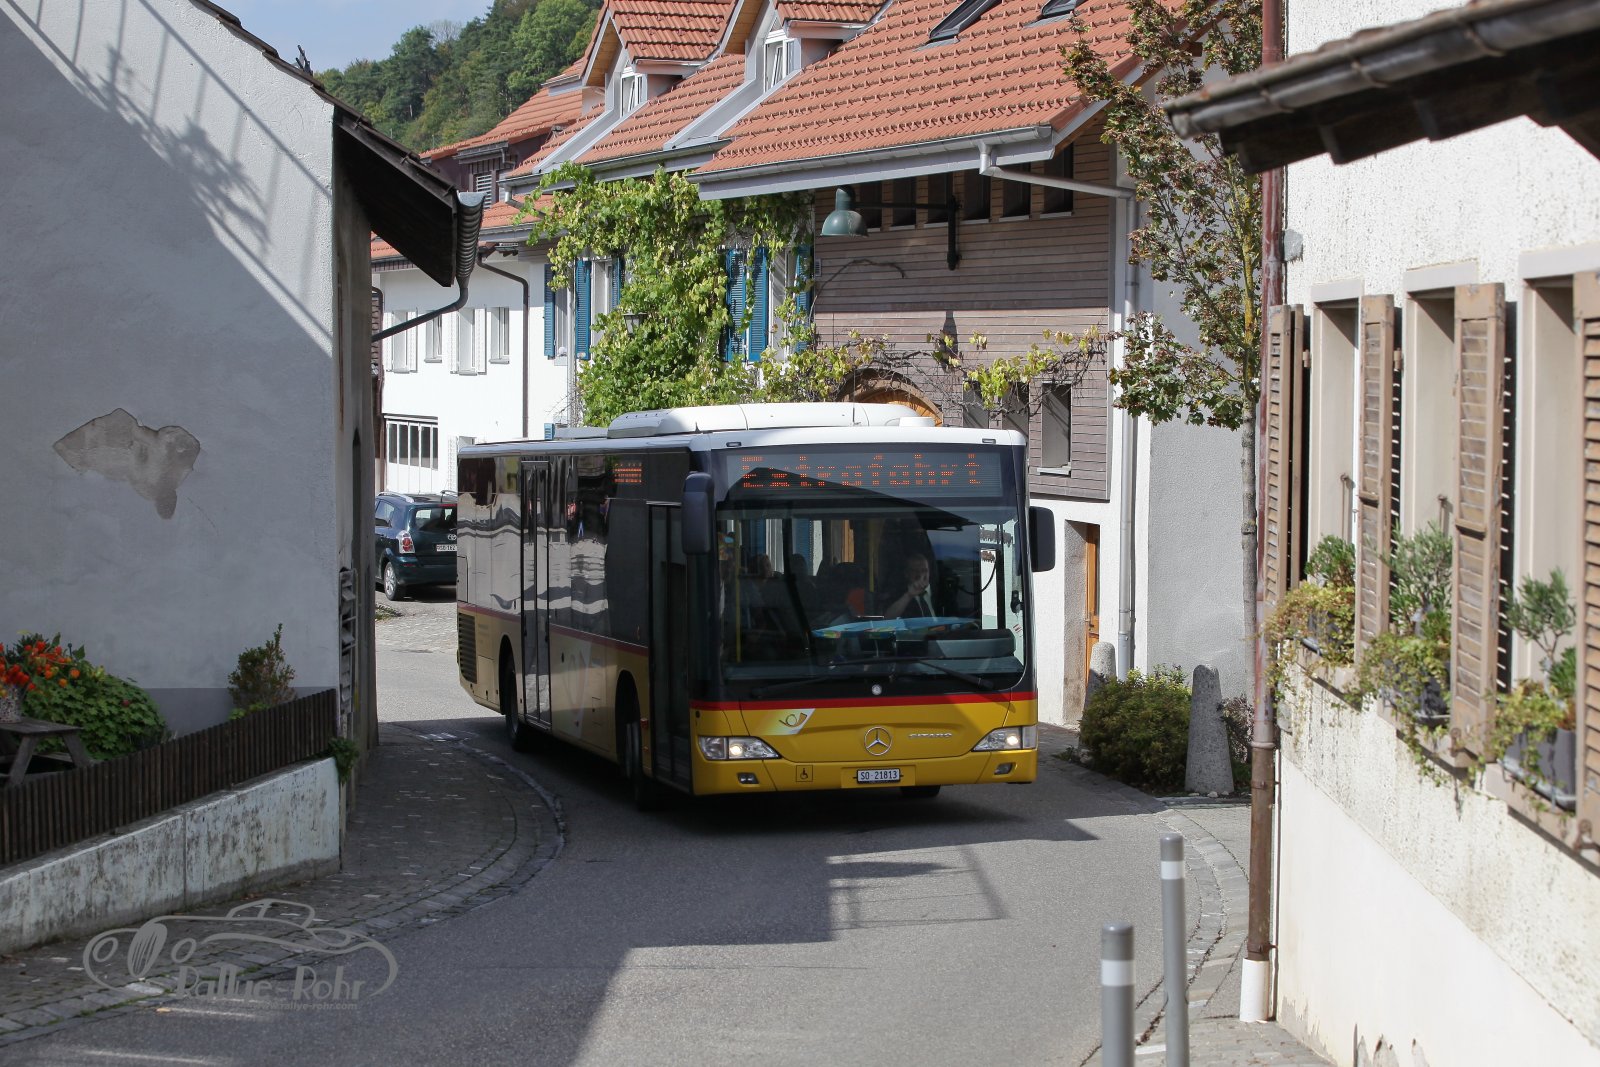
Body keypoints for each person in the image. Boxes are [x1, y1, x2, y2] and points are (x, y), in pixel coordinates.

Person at [883, 553, 936, 619]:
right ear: (907, 574)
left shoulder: (941, 592)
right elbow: (887, 618)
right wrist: (909, 595)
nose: (920, 574)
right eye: (916, 571)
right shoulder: (899, 596)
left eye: (924, 570)